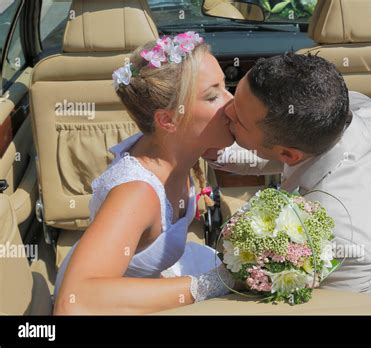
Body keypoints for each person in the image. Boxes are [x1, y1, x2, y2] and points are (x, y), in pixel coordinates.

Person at [206, 53, 371, 299]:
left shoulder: (340, 240)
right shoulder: (359, 110)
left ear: (289, 154)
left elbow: (334, 310)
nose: (225, 111)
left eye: (238, 118)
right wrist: (212, 147)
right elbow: (275, 153)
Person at [54, 33, 236, 315]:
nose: (231, 102)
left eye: (225, 87)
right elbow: (75, 301)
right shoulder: (137, 194)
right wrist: (212, 284)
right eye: (213, 96)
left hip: (147, 282)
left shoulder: (176, 148)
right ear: (167, 120)